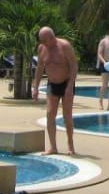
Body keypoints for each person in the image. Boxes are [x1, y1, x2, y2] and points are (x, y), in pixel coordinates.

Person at [33, 26, 79, 155]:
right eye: (41, 40)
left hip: (66, 83)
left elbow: (74, 66)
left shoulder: (64, 46)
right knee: (50, 114)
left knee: (67, 116)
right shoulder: (42, 48)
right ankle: (53, 147)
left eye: (44, 40)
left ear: (51, 37)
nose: (42, 43)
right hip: (52, 84)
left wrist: (70, 86)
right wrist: (35, 87)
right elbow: (40, 68)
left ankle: (70, 144)